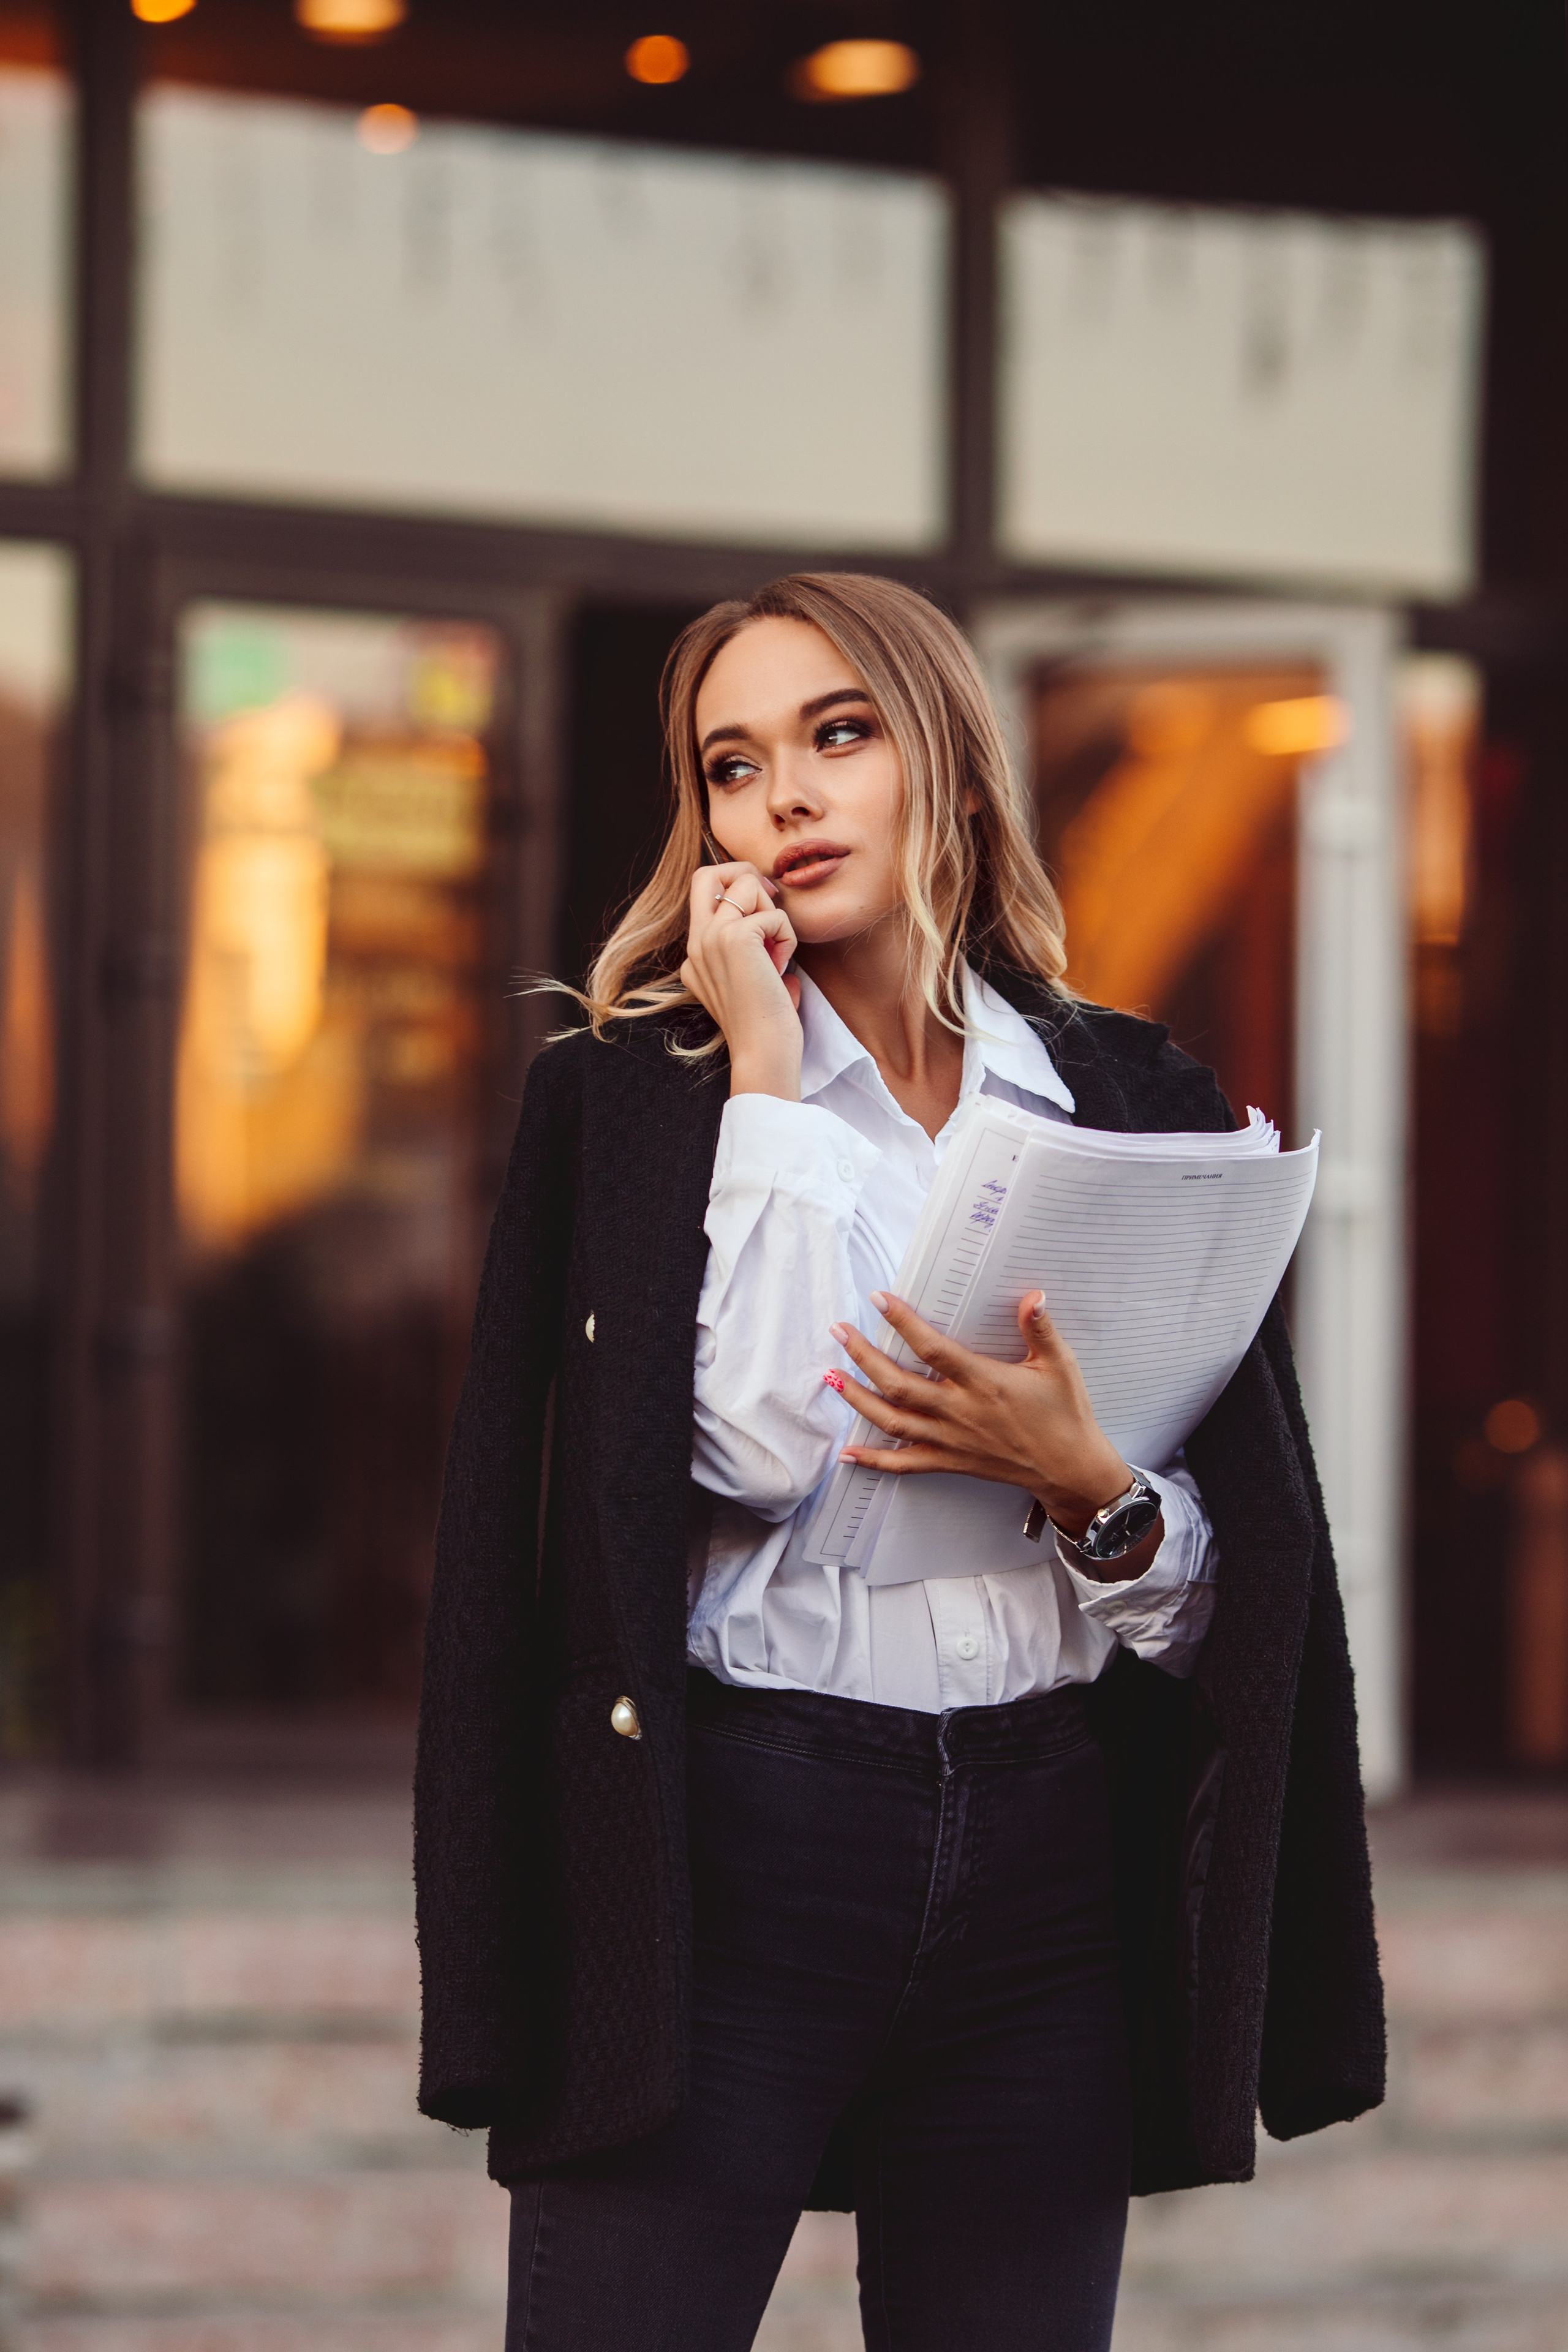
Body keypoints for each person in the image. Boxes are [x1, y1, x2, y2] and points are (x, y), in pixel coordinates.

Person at [414, 574, 1384, 2352]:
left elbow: (1235, 1608)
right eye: (732, 763)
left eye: (837, 735)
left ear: (942, 759)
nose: (781, 797)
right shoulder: (636, 1103)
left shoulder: (1130, 1104)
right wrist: (770, 1078)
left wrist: (1090, 1489)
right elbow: (769, 1446)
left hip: (1043, 1859)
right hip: (728, 1849)